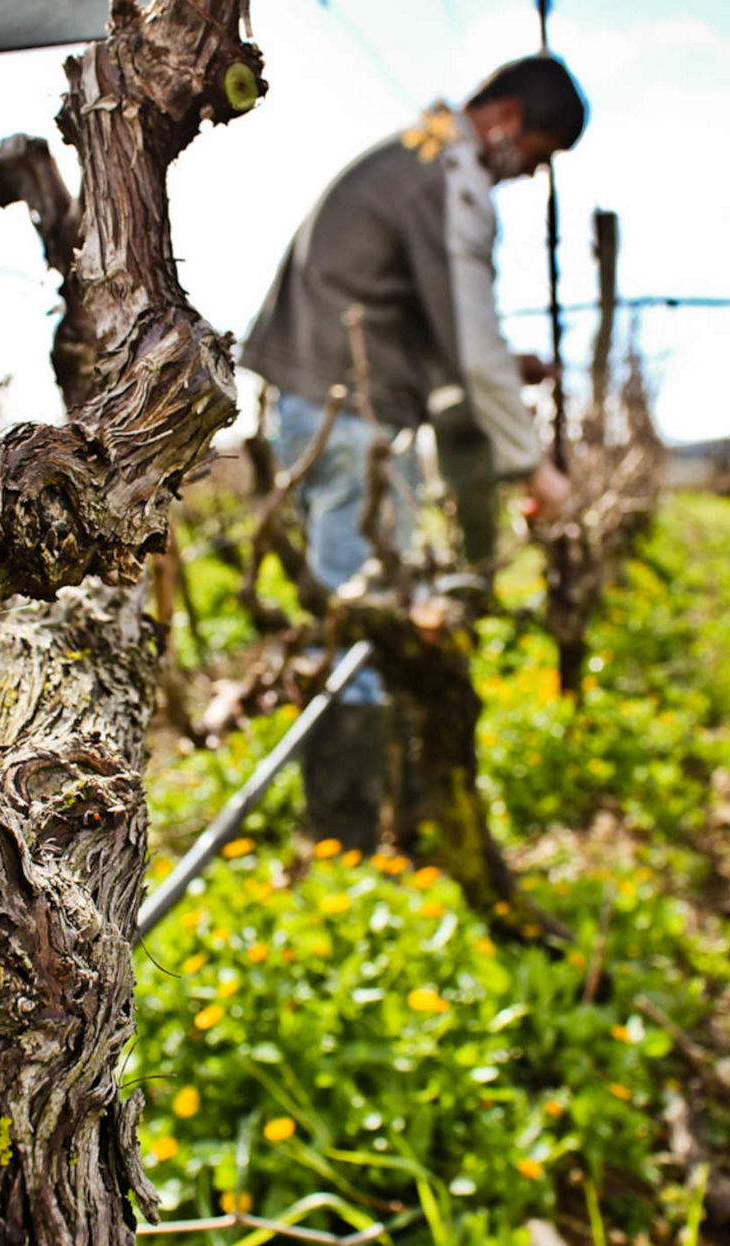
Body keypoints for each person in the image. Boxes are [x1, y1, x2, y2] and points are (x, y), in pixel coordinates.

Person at [240, 53, 588, 851]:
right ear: (503, 119)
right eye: (536, 153)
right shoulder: (448, 173)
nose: (528, 173)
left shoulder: (415, 152)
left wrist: (507, 370)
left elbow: (416, 314)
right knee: (359, 616)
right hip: (347, 415)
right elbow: (466, 341)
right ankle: (347, 838)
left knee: (372, 609)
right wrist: (533, 466)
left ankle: (380, 822)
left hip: (328, 404)